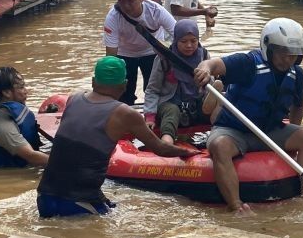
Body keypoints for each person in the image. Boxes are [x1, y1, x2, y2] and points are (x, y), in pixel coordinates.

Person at [37, 57, 196, 218]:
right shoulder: (125, 113)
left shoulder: (74, 99)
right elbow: (161, 148)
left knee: (109, 207)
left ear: (93, 81)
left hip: (44, 198)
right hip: (77, 203)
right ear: (124, 85)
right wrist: (187, 152)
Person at [193, 18, 303, 215]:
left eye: (293, 54)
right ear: (268, 47)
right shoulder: (248, 64)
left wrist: (293, 138)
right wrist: (205, 69)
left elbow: (298, 106)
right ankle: (236, 206)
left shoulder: (297, 75)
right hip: (235, 130)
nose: (288, 59)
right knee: (219, 146)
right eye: (282, 52)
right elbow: (214, 64)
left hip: (271, 130)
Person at [144, 19, 221, 144]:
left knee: (214, 103)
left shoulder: (204, 56)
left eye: (193, 41)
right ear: (176, 40)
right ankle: (167, 142)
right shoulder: (164, 58)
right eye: (183, 41)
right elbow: (152, 89)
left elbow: (207, 83)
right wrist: (150, 116)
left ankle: (218, 127)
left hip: (196, 105)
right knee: (171, 111)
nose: (189, 45)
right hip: (171, 103)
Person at [103, 0, 177, 105]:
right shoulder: (113, 17)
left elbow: (178, 34)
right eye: (121, 0)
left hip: (152, 52)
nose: (125, 6)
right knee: (124, 95)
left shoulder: (156, 11)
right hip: (125, 54)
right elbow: (111, 55)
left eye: (130, 0)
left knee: (154, 90)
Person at [0, 67, 48, 167]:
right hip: (11, 173)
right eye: (21, 87)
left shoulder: (8, 111)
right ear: (6, 93)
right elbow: (32, 156)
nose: (26, 91)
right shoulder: (4, 126)